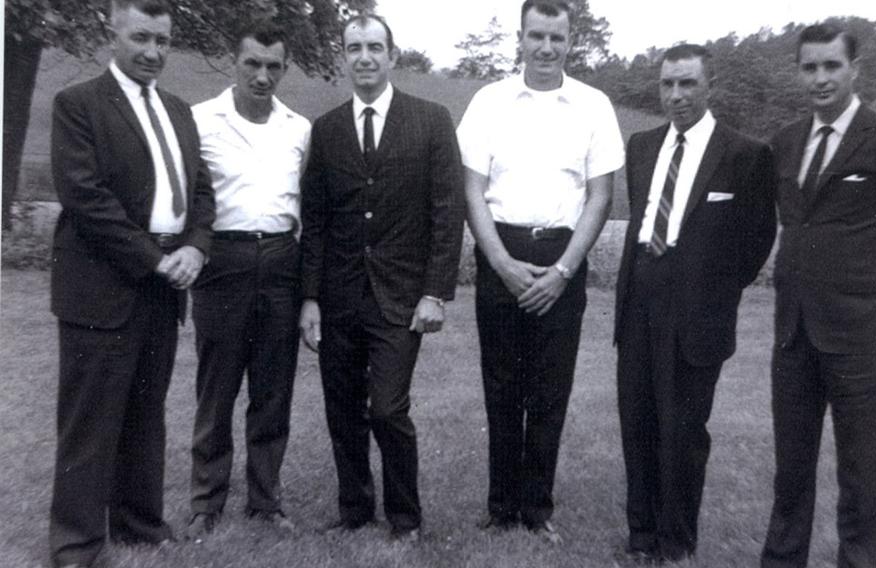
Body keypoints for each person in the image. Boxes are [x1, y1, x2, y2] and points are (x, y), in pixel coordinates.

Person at [47, 0, 215, 565]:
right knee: (90, 419)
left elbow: (203, 194)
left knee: (147, 411)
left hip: (163, 286)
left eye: (163, 41)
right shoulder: (78, 105)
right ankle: (76, 541)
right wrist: (154, 258)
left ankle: (139, 523)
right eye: (141, 37)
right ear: (112, 32)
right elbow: (85, 198)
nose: (152, 52)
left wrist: (195, 245)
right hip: (102, 285)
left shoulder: (178, 110)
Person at [457, 0, 624, 544]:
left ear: (571, 41)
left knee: (550, 390)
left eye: (557, 37)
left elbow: (601, 196)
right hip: (500, 250)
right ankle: (501, 506)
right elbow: (472, 190)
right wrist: (500, 263)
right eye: (537, 36)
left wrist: (563, 269)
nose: (546, 47)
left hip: (563, 257)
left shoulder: (594, 105)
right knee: (502, 386)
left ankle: (536, 507)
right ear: (521, 38)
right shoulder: (488, 102)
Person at [298, 14, 464, 542]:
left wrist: (435, 292)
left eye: (374, 47)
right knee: (342, 409)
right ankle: (354, 511)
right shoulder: (326, 131)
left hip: (401, 300)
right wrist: (310, 298)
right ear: (343, 57)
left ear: (393, 56)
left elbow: (446, 210)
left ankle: (406, 518)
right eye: (354, 48)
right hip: (340, 297)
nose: (364, 57)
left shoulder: (432, 120)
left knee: (388, 408)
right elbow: (316, 221)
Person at [613, 43, 776, 563]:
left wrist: (713, 291)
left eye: (687, 83)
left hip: (698, 310)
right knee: (636, 422)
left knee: (681, 431)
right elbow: (642, 221)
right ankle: (640, 538)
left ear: (710, 86)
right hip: (639, 298)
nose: (676, 95)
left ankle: (675, 543)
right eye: (667, 84)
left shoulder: (744, 154)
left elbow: (757, 238)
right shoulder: (641, 146)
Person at [761, 23, 876, 568]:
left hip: (863, 338)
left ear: (854, 69)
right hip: (794, 333)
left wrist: (867, 302)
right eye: (810, 67)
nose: (820, 78)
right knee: (790, 466)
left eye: (831, 66)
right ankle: (780, 560)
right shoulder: (786, 141)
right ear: (799, 71)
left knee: (863, 471)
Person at [185, 21, 311, 539]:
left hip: (281, 260)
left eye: (273, 66)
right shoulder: (199, 121)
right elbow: (191, 200)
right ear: (234, 62)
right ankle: (206, 501)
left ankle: (265, 500)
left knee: (273, 391)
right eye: (252, 64)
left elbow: (308, 205)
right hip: (223, 263)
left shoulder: (299, 129)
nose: (262, 76)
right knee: (216, 390)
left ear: (283, 68)